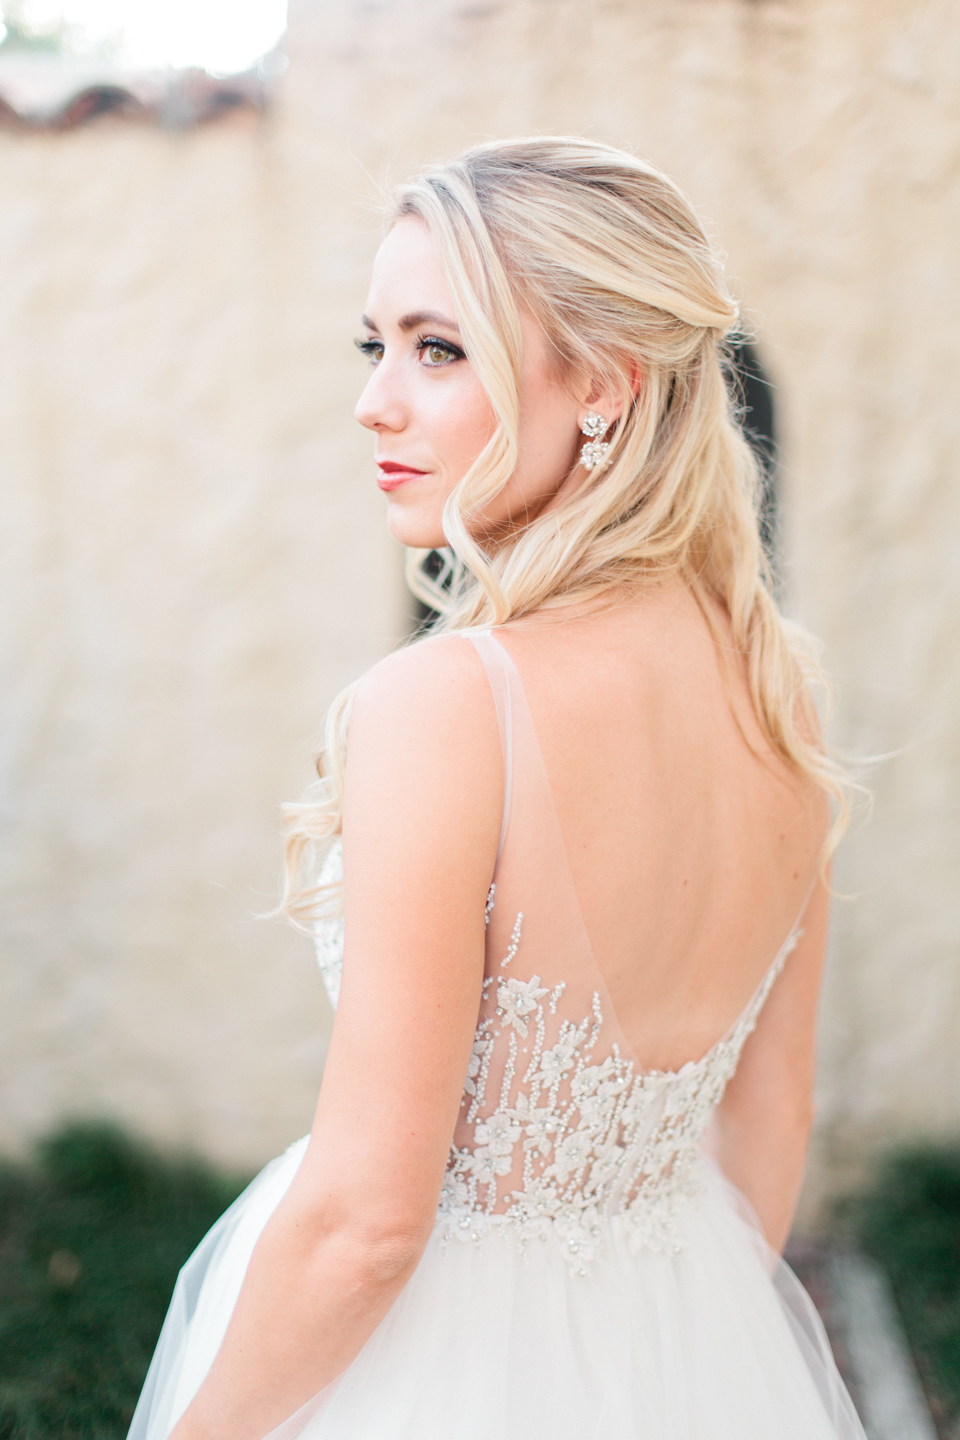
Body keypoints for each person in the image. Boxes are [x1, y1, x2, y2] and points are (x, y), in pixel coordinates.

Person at [129, 137, 865, 1440]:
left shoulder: (446, 705)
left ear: (603, 385)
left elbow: (365, 1225)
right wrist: (671, 1351)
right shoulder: (775, 693)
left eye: (439, 348)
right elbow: (772, 1118)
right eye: (378, 347)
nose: (376, 402)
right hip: (681, 1339)